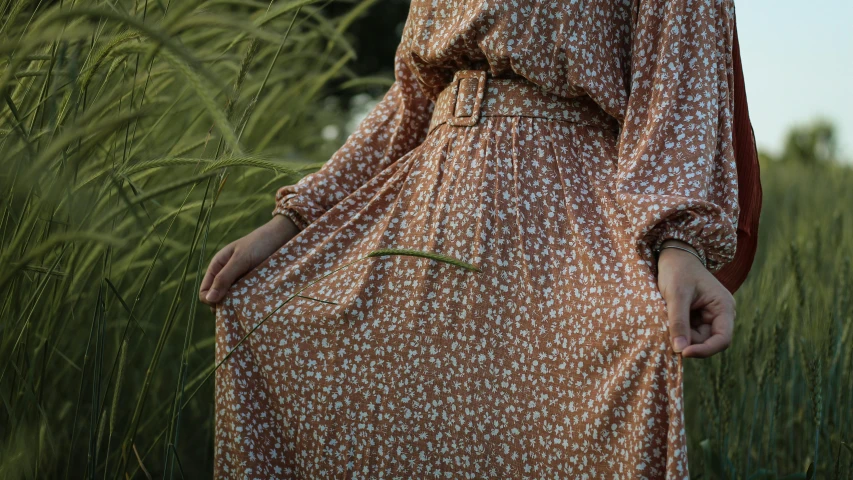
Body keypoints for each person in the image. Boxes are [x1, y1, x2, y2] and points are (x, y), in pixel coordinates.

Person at [199, 0, 761, 477]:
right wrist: (295, 221)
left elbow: (682, 77)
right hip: (424, 208)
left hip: (570, 221)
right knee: (264, 309)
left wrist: (679, 243)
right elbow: (410, 104)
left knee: (630, 356)